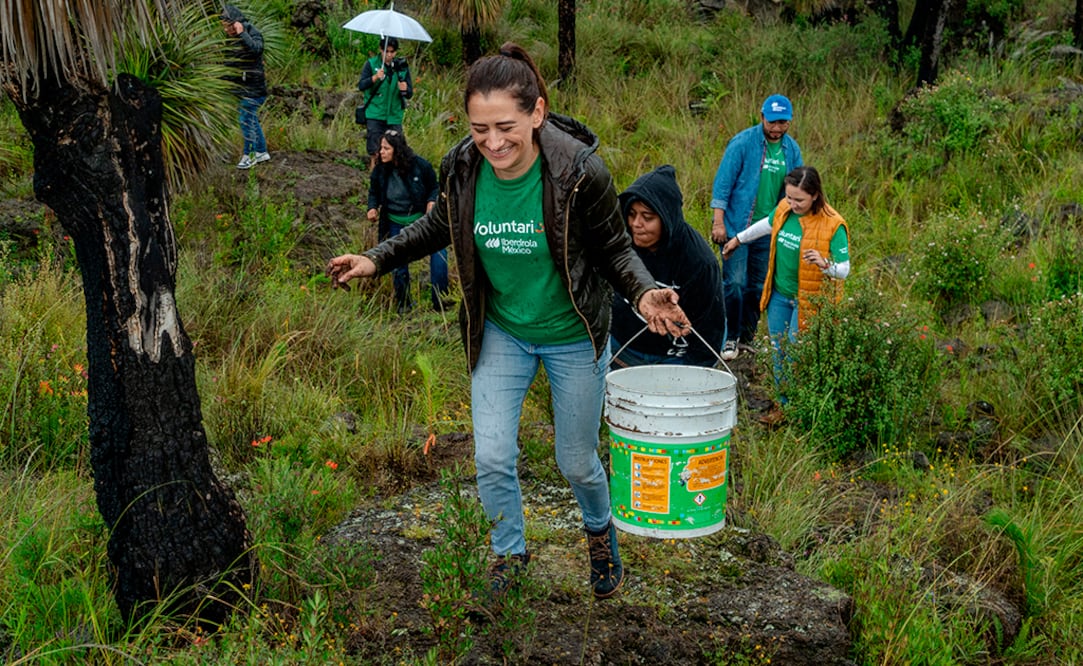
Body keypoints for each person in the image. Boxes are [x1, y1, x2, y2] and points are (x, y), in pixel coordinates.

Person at [327, 42, 690, 602]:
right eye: (479, 128)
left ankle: (598, 531)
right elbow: (437, 229)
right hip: (501, 331)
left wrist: (644, 294)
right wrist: (376, 259)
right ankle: (509, 553)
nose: (492, 142)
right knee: (492, 456)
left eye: (505, 126)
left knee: (577, 462)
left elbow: (616, 250)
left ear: (537, 113)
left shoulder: (578, 172)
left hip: (573, 336)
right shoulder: (462, 167)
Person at [722, 166, 850, 424]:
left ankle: (803, 407)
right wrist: (738, 239)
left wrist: (826, 264)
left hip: (809, 300)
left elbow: (844, 270)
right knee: (779, 351)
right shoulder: (784, 209)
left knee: (796, 354)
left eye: (799, 200)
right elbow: (766, 225)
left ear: (815, 195)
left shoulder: (833, 224)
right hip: (780, 295)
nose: (793, 204)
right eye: (789, 197)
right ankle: (784, 407)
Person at [710, 94, 802, 360]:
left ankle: (747, 338)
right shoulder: (742, 143)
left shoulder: (791, 150)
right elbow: (723, 184)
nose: (776, 128)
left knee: (758, 286)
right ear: (762, 117)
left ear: (789, 122)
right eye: (772, 122)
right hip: (736, 227)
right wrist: (719, 222)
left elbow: (796, 190)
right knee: (735, 284)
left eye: (782, 123)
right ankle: (730, 338)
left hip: (768, 229)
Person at [610, 165, 725, 369]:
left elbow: (710, 328)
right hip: (622, 350)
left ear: (667, 217)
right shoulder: (620, 246)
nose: (636, 224)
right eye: (632, 214)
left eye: (647, 217)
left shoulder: (699, 262)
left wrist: (695, 374)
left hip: (674, 359)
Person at [367, 129, 448, 313]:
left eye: (386, 148)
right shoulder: (380, 170)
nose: (381, 152)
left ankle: (441, 303)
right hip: (395, 221)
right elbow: (373, 192)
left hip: (423, 222)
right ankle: (404, 305)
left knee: (440, 259)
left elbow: (434, 187)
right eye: (381, 148)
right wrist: (372, 207)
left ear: (397, 149)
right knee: (397, 265)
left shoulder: (420, 166)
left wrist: (431, 202)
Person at [221, 5, 270, 169]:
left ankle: (249, 156)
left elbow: (257, 50)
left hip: (254, 89)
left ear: (235, 23)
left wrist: (242, 33)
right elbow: (230, 64)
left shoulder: (251, 33)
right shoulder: (230, 39)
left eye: (227, 26)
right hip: (242, 88)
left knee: (245, 119)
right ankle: (261, 152)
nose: (225, 29)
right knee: (251, 118)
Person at [357, 37, 413, 170]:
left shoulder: (402, 67)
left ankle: (391, 182)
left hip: (394, 115)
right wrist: (375, 77)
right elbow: (361, 85)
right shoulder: (371, 64)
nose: (389, 55)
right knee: (375, 151)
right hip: (375, 113)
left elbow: (409, 93)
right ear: (380, 50)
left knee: (396, 150)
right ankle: (373, 180)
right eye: (386, 51)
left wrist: (405, 89)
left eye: (392, 52)